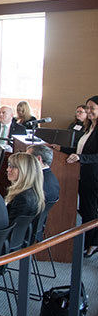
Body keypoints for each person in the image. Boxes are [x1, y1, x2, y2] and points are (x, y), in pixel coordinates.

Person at [64, 95, 98, 257]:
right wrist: (61, 148)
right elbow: (80, 151)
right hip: (83, 174)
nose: (88, 111)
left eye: (92, 108)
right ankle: (89, 241)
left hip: (94, 176)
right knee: (85, 209)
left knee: (91, 210)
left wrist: (81, 158)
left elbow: (92, 156)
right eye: (87, 108)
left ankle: (93, 243)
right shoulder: (88, 128)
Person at [5, 152, 45, 225]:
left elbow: (9, 226)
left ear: (24, 170)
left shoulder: (22, 198)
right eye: (9, 165)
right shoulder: (32, 192)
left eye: (12, 167)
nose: (8, 169)